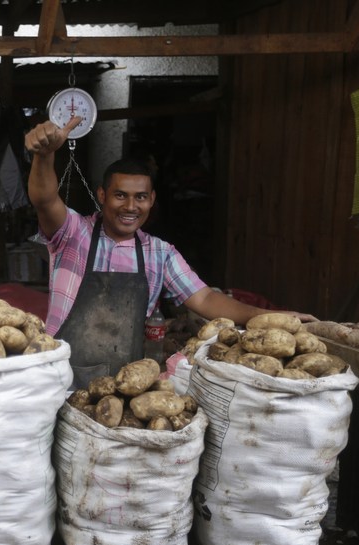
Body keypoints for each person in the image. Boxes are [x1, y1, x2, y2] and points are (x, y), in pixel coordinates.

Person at [24, 116, 315, 378]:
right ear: (102, 195)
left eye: (140, 197)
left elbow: (206, 300)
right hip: (57, 373)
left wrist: (270, 318)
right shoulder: (73, 232)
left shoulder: (160, 253)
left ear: (151, 200)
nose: (130, 206)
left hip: (124, 381)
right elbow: (45, 199)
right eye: (120, 195)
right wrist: (44, 156)